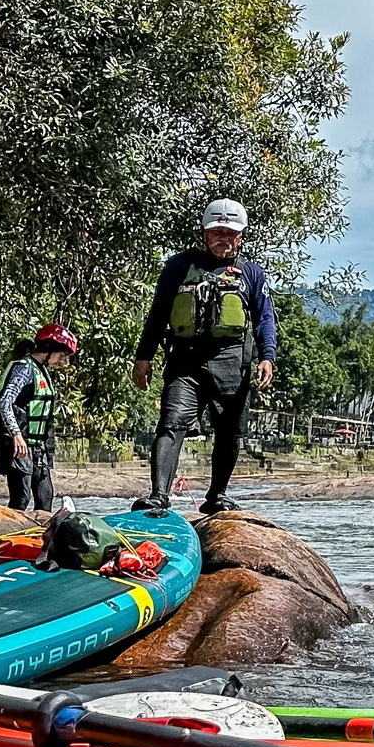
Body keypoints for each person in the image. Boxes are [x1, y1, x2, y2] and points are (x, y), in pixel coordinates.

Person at [131, 199, 276, 514]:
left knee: (229, 431)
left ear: (240, 236)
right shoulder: (178, 267)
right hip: (185, 361)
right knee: (171, 423)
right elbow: (158, 314)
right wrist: (144, 357)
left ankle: (217, 496)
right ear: (205, 234)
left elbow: (265, 318)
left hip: (232, 363)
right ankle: (159, 496)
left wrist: (267, 357)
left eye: (230, 233)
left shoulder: (252, 273)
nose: (223, 238)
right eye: (216, 232)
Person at [0, 323, 78, 512]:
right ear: (49, 349)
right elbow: (4, 402)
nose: (63, 361)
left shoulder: (41, 370)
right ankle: (12, 527)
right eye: (61, 355)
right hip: (18, 443)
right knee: (21, 497)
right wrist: (16, 435)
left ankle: (42, 529)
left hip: (37, 446)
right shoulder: (24, 368)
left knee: (46, 495)